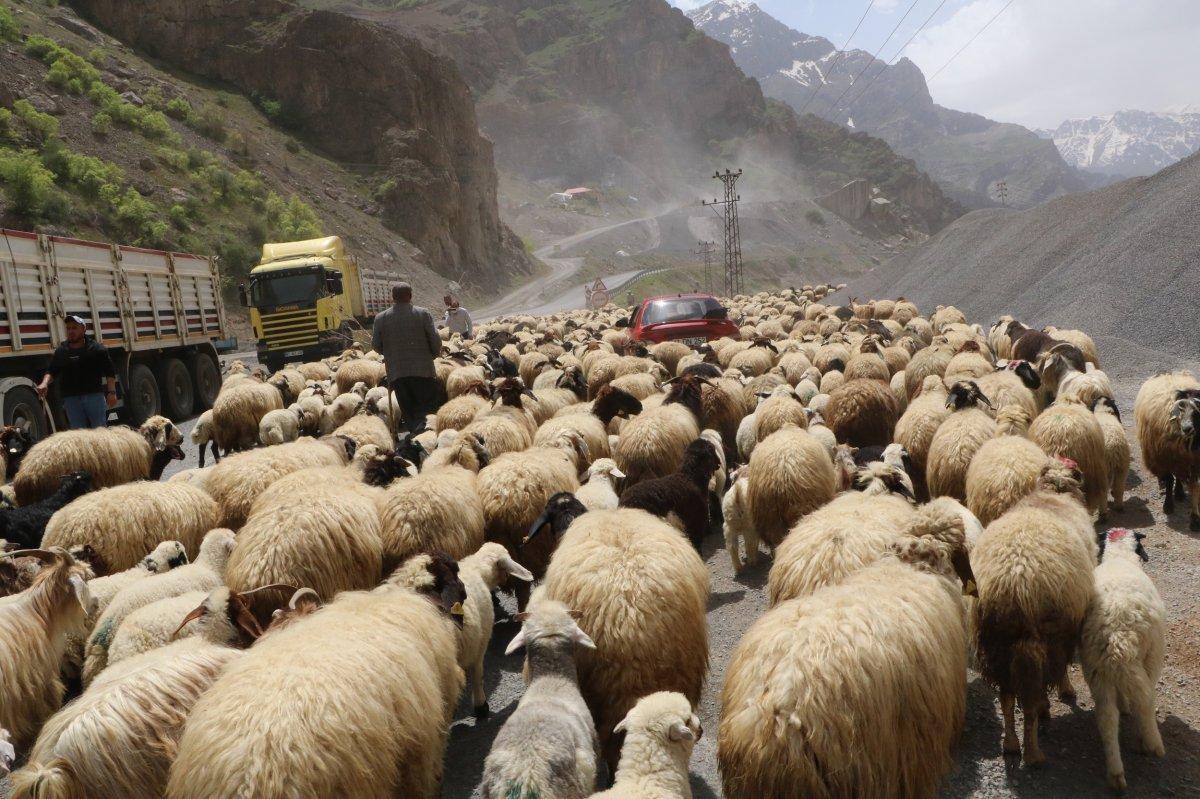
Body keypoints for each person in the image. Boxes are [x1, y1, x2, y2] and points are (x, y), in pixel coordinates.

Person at [372, 283, 442, 434]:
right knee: (428, 410)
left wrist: (392, 354)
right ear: (410, 296)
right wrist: (433, 355)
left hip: (397, 374)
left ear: (392, 297)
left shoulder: (381, 318)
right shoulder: (423, 314)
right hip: (424, 372)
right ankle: (428, 438)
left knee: (408, 410)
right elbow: (435, 341)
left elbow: (376, 346)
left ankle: (415, 438)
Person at [36, 314, 117, 429]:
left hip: (94, 397)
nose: (71, 331)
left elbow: (110, 372)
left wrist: (112, 393)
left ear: (84, 329)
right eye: (68, 328)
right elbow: (52, 371)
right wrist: (44, 383)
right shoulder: (62, 351)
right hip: (71, 400)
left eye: (74, 328)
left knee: (100, 431)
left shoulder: (96, 349)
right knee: (78, 434)